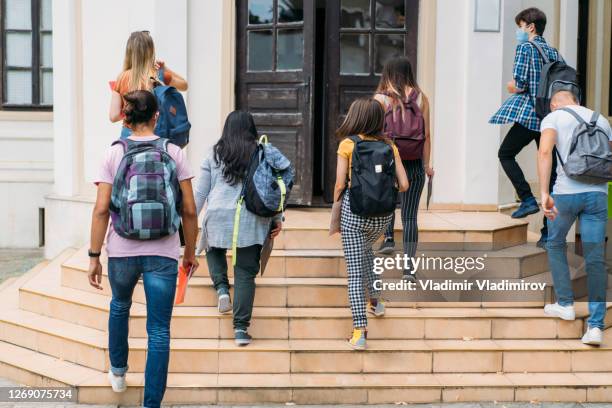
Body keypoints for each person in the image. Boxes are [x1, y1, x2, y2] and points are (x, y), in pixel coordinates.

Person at [88, 90, 198, 407]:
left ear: (125, 117)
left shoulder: (114, 153)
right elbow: (189, 210)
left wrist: (94, 257)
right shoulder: (175, 152)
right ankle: (151, 404)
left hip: (121, 249)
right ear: (157, 117)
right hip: (163, 252)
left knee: (120, 306)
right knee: (159, 330)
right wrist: (189, 253)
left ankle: (118, 372)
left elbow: (100, 209)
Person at [194, 111, 283, 347]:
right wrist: (277, 219)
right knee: (245, 272)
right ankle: (241, 330)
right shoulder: (262, 152)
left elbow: (201, 192)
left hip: (218, 213)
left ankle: (222, 289)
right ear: (252, 129)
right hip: (251, 218)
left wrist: (189, 221)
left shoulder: (214, 153)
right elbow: (274, 189)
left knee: (212, 247)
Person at [538, 90, 612, 346]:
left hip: (566, 194)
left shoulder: (553, 117)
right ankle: (595, 328)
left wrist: (544, 192)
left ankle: (566, 304)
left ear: (554, 103)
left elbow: (545, 152)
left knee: (555, 243)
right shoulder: (601, 119)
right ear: (578, 101)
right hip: (598, 195)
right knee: (595, 258)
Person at [334, 98, 409, 350]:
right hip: (382, 217)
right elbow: (405, 185)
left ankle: (359, 331)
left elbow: (339, 184)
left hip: (354, 215)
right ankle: (376, 302)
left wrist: (338, 205)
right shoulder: (390, 146)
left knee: (355, 273)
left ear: (355, 118)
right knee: (367, 251)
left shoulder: (347, 145)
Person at [490, 7, 560, 248]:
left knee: (505, 153)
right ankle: (547, 234)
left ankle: (528, 199)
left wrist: (512, 86)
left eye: (520, 26)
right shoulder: (553, 51)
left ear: (530, 27)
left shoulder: (525, 47)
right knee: (549, 172)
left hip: (531, 115)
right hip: (550, 117)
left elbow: (519, 83)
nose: (518, 31)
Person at [374, 57, 434, 283]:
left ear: (388, 73)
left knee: (387, 203)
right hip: (414, 163)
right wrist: (427, 165)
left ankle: (388, 239)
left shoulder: (381, 98)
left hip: (389, 161)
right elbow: (426, 136)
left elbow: (375, 133)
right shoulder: (421, 98)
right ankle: (409, 270)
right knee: (410, 217)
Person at [109, 31, 188, 139]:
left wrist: (131, 109)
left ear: (129, 52)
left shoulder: (122, 78)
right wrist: (164, 69)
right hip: (156, 135)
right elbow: (184, 85)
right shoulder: (157, 74)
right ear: (151, 51)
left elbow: (114, 116)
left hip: (129, 136)